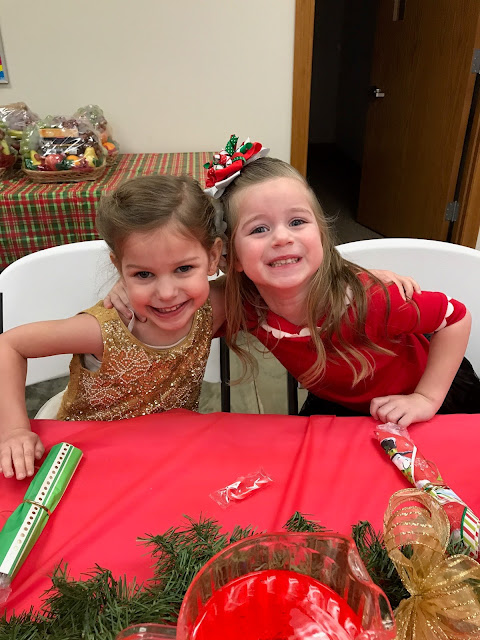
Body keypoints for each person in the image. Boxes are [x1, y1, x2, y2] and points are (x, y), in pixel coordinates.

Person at [217, 156, 479, 425]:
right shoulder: (247, 304)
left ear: (321, 236)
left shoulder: (371, 299)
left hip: (433, 396)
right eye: (259, 229)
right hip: (346, 406)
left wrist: (426, 398)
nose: (282, 238)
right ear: (230, 256)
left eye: (296, 222)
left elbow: (456, 317)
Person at [0, 175, 224, 480]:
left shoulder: (216, 306)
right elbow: (9, 345)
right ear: (119, 268)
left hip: (165, 456)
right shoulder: (106, 330)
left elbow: (259, 276)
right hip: (83, 459)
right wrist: (14, 430)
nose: (167, 293)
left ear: (213, 257)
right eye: (144, 274)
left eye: (183, 268)